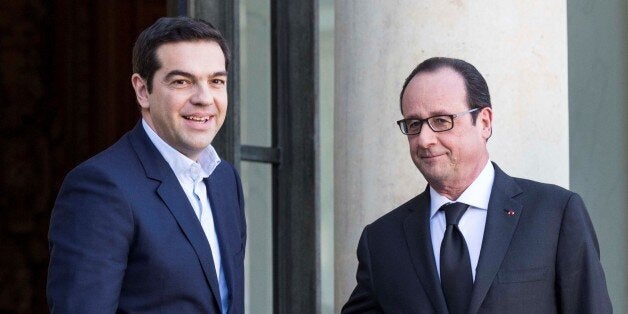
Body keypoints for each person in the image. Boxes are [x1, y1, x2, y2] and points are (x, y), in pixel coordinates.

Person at [342, 57, 612, 313]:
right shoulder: (381, 240)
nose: (424, 139)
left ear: (484, 122)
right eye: (414, 124)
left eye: (440, 121)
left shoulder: (554, 214)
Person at [47, 17, 246, 313]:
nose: (204, 98)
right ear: (142, 90)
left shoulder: (224, 179)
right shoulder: (100, 187)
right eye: (182, 82)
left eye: (216, 81)